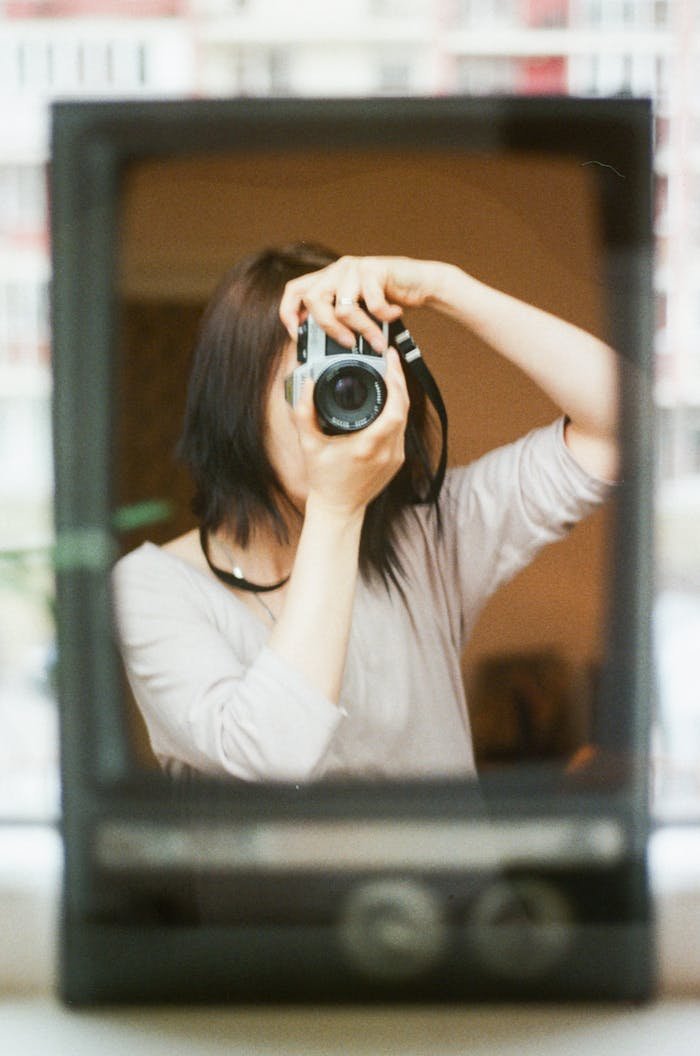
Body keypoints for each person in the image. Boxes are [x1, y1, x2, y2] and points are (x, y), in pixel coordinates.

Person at [112, 242, 619, 783]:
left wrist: (444, 287)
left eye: (355, 378)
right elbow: (272, 757)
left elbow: (623, 425)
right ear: (235, 403)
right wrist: (336, 506)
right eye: (307, 381)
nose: (340, 401)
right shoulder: (154, 585)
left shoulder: (429, 536)